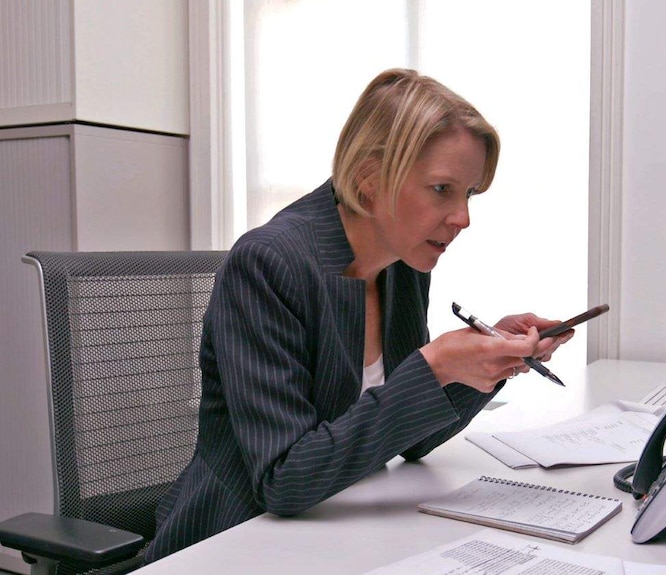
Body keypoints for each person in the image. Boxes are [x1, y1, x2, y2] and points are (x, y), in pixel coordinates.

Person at [144, 68, 574, 563]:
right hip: (232, 542)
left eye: (469, 194)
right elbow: (284, 479)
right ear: (371, 179)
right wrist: (434, 367)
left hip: (334, 534)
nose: (463, 217)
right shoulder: (268, 263)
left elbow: (412, 440)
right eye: (442, 190)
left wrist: (484, 364)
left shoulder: (403, 262)